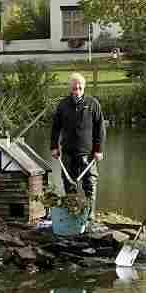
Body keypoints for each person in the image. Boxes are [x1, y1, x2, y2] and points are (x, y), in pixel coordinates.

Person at [49, 72, 105, 217]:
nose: (77, 90)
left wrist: (98, 150)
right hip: (68, 153)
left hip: (88, 154)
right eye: (74, 88)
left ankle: (89, 215)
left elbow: (100, 129)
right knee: (69, 185)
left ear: (83, 88)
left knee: (90, 185)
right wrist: (54, 147)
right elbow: (55, 127)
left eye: (80, 87)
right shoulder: (63, 105)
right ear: (70, 88)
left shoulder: (93, 104)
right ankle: (72, 214)